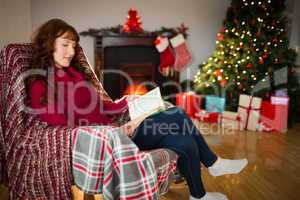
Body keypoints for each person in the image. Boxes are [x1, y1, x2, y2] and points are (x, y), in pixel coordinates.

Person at [26, 18, 248, 200]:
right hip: (106, 144)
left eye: (74, 45)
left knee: (185, 141)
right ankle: (213, 163)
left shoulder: (73, 73)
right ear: (48, 43)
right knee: (177, 113)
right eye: (66, 44)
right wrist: (116, 132)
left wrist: (128, 102)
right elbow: (64, 130)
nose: (72, 51)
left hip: (118, 131)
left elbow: (100, 106)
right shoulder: (40, 84)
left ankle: (198, 196)